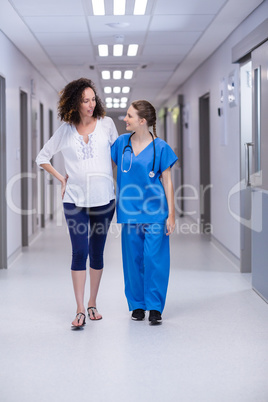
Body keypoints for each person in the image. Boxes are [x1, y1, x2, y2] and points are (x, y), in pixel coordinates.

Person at [36, 78, 118, 328]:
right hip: (74, 202)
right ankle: (80, 308)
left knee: (96, 252)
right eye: (85, 100)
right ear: (75, 103)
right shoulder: (65, 131)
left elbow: (117, 155)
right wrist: (62, 178)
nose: (91, 104)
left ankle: (93, 302)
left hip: (104, 200)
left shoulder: (106, 125)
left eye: (93, 99)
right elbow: (42, 157)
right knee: (79, 251)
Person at [111, 100, 177, 325]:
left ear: (142, 121)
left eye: (129, 116)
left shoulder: (160, 148)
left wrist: (172, 214)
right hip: (129, 213)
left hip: (156, 212)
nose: (125, 119)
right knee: (133, 260)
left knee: (154, 258)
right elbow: (102, 166)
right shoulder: (121, 144)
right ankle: (138, 305)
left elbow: (167, 181)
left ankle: (155, 306)